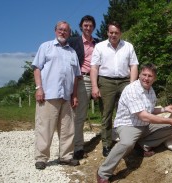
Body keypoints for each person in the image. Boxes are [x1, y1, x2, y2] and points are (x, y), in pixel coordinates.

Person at [96, 63, 172, 183]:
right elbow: (144, 116)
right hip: (128, 125)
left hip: (144, 125)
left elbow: (149, 110)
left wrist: (164, 109)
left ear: (154, 78)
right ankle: (103, 172)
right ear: (139, 75)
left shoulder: (151, 90)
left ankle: (143, 145)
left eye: (150, 76)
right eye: (144, 75)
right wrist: (169, 119)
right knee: (127, 143)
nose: (146, 78)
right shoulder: (132, 89)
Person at [32, 21, 81, 170]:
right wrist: (39, 88)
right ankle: (41, 158)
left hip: (66, 96)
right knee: (44, 127)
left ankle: (65, 157)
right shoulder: (45, 47)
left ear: (69, 33)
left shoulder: (72, 53)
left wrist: (74, 95)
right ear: (55, 31)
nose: (63, 32)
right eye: (60, 29)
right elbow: (37, 68)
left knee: (68, 129)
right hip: (48, 95)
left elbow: (75, 76)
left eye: (66, 30)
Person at [90, 21, 139, 157]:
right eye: (111, 32)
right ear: (107, 33)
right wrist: (94, 86)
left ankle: (128, 142)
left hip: (125, 81)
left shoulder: (128, 46)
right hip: (105, 82)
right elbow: (94, 67)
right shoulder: (100, 47)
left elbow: (134, 65)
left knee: (129, 112)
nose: (113, 35)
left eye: (116, 33)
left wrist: (132, 85)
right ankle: (106, 144)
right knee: (106, 114)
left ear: (120, 33)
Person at [68, 15, 99, 160]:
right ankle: (77, 148)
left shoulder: (98, 44)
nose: (88, 28)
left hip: (96, 79)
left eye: (90, 25)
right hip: (80, 79)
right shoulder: (73, 41)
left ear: (94, 27)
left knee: (83, 114)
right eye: (85, 25)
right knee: (78, 115)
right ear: (81, 26)